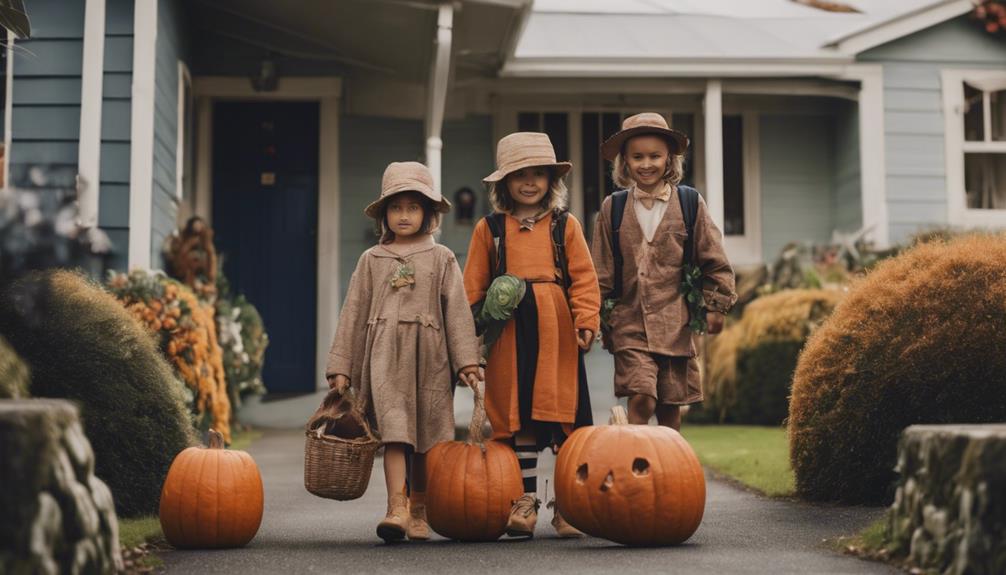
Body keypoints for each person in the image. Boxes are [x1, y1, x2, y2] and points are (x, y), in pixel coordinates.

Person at [326, 161, 483, 543]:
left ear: (428, 214)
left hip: (430, 358)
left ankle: (419, 507)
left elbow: (458, 312)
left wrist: (467, 360)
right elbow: (353, 312)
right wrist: (341, 365)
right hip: (383, 356)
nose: (404, 215)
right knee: (395, 432)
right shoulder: (371, 260)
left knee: (427, 436)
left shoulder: (442, 257)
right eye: (396, 208)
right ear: (384, 214)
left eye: (413, 207)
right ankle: (395, 506)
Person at [463, 132, 601, 538]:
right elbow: (472, 287)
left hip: (555, 331)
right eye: (519, 174)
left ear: (551, 181)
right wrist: (469, 339)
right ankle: (524, 501)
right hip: (508, 336)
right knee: (517, 415)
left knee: (561, 416)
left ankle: (565, 505)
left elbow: (584, 279)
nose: (529, 182)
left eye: (538, 174)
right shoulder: (490, 229)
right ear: (504, 182)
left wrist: (586, 320)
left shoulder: (565, 225)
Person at [592, 112, 737, 430]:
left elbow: (713, 258)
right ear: (625, 162)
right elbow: (600, 271)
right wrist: (592, 317)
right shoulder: (612, 208)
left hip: (676, 323)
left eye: (655, 156)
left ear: (669, 159)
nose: (646, 164)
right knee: (642, 395)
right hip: (629, 322)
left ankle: (667, 474)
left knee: (671, 407)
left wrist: (716, 306)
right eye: (637, 157)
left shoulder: (689, 203)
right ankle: (634, 464)